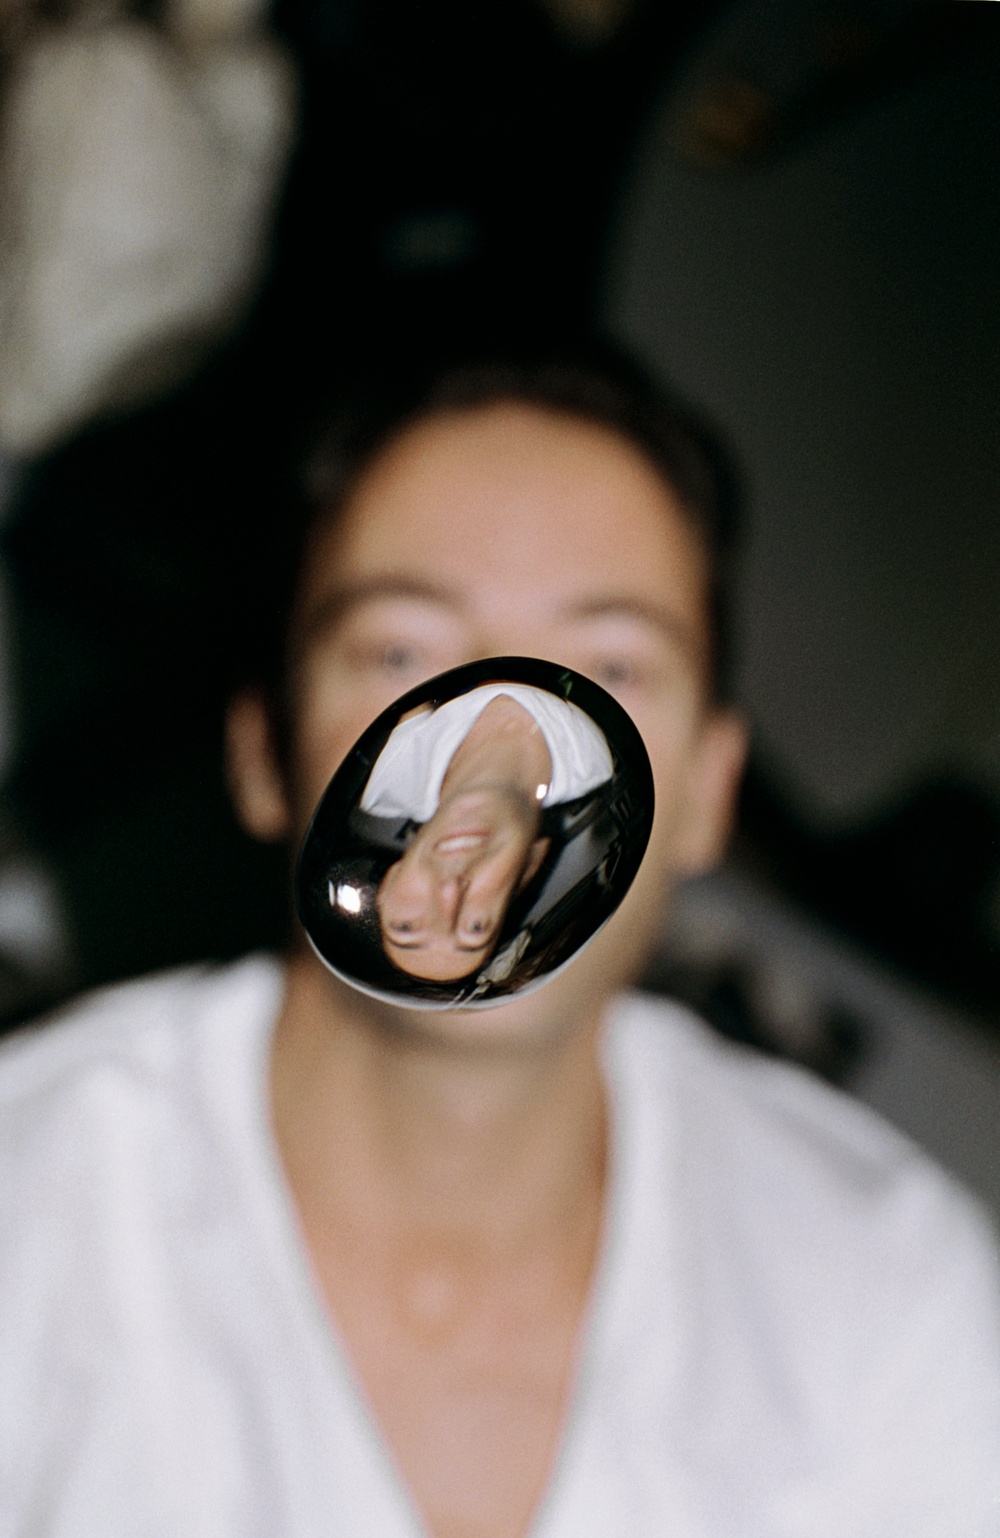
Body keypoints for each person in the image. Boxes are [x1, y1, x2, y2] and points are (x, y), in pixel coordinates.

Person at [1, 354, 998, 1538]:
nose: (501, 780)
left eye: (611, 670)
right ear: (264, 752)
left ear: (707, 790)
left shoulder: (895, 1297)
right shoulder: (33, 1217)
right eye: (403, 653)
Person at [363, 683, 613, 981]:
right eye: (476, 926)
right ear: (532, 864)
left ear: (390, 883)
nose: (449, 891)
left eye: (406, 926)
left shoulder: (383, 778)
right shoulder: (598, 757)